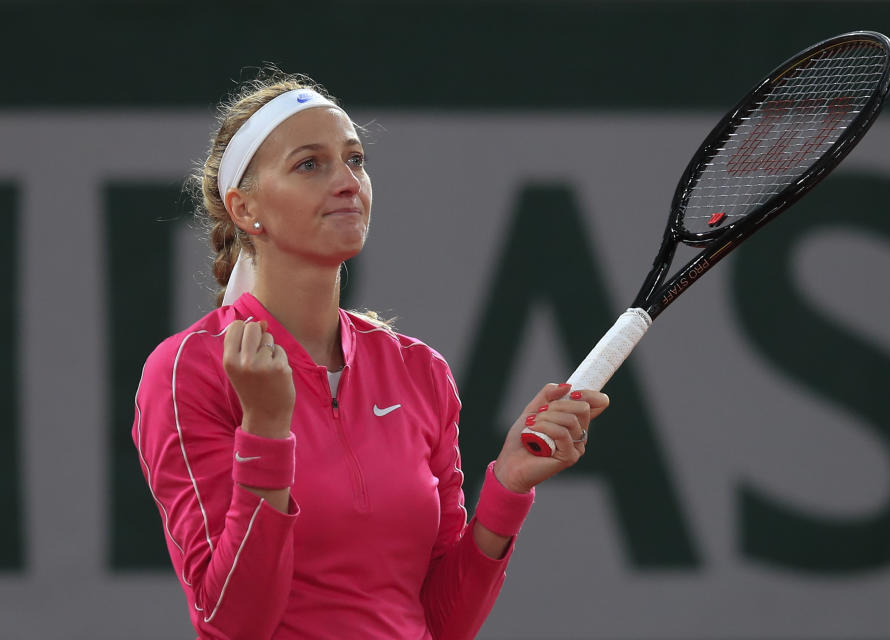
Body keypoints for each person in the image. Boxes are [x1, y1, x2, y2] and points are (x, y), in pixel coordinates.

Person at [132, 70, 609, 639]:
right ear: (243, 208)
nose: (347, 182)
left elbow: (441, 623)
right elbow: (234, 624)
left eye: (354, 159)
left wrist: (508, 487)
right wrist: (264, 429)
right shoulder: (187, 371)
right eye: (310, 164)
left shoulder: (420, 371)